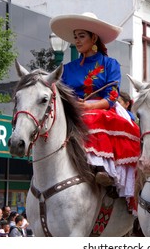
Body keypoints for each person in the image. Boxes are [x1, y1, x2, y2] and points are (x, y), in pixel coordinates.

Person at [50, 12, 140, 212]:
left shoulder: (110, 64)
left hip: (102, 109)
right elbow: (61, 95)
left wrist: (89, 106)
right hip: (74, 110)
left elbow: (112, 96)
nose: (77, 40)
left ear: (94, 38)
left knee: (92, 118)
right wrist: (74, 106)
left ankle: (103, 169)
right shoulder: (67, 68)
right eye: (75, 36)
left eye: (82, 36)